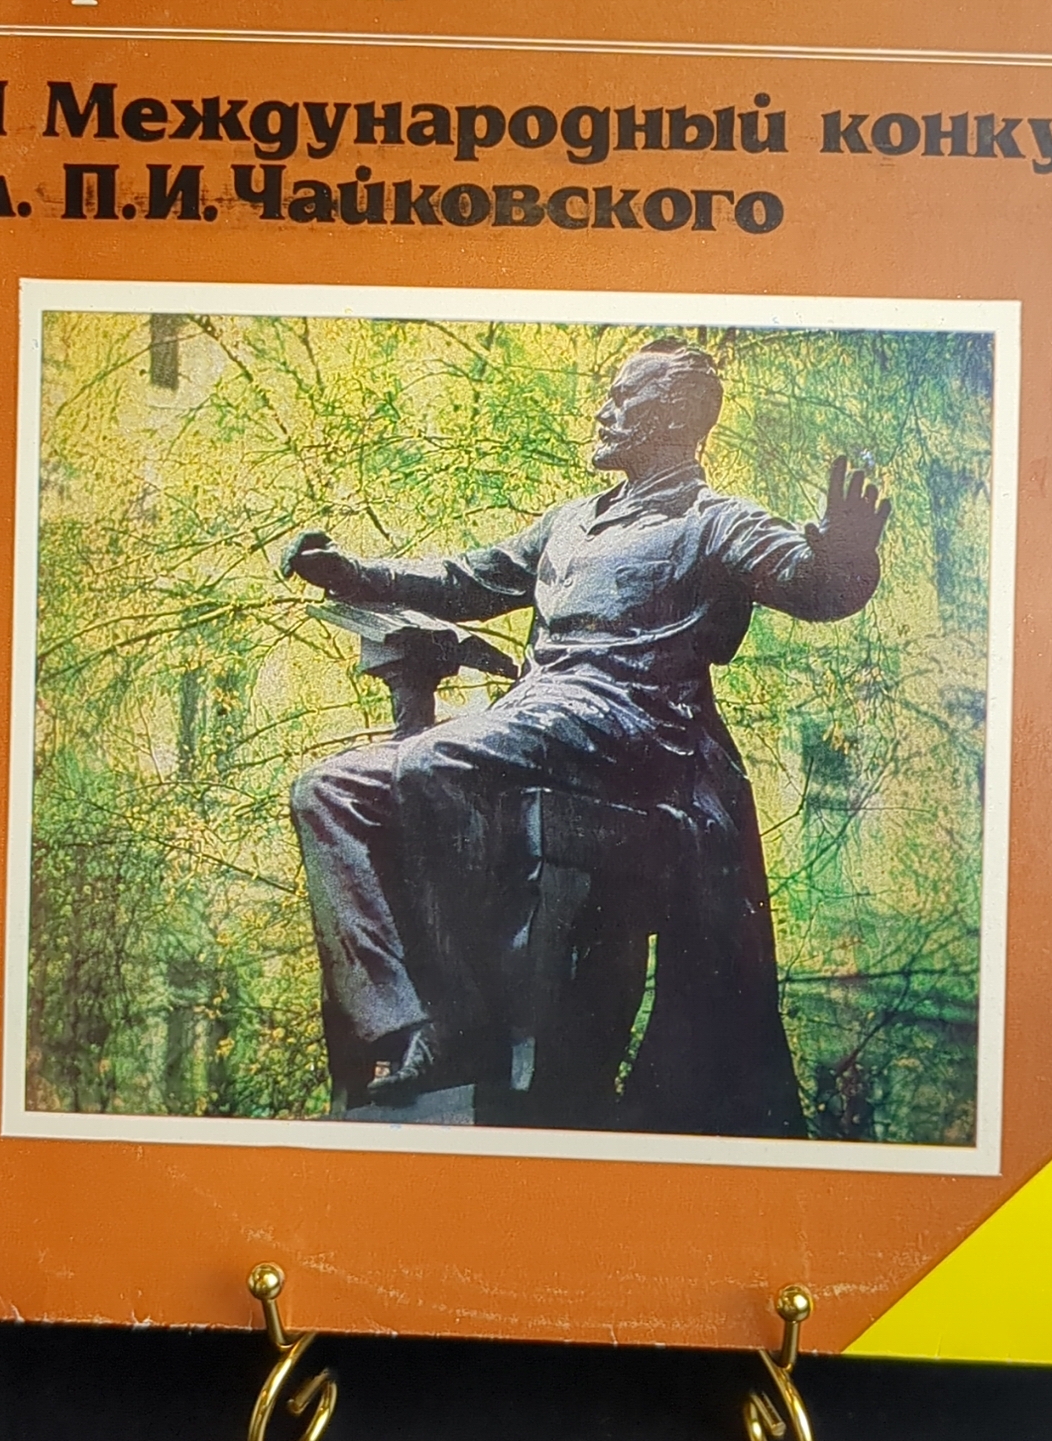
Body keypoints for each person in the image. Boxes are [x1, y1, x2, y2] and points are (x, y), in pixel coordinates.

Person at [284, 338, 891, 1137]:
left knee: (436, 759)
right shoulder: (571, 522)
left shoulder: (715, 522)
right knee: (328, 792)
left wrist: (847, 557)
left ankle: (464, 1022)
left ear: (671, 417)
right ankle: (401, 1025)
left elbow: (810, 585)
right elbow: (465, 580)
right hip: (538, 716)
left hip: (631, 727)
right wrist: (356, 574)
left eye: (622, 398)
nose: (604, 412)